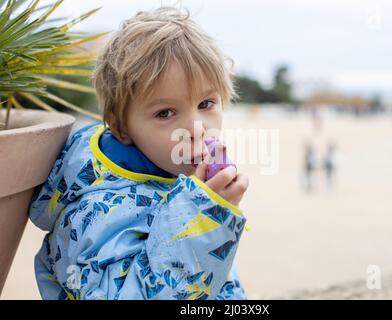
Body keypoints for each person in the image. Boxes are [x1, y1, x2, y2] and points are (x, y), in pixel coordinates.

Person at [28, 7, 249, 300]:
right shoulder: (95, 211)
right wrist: (202, 220)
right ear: (120, 126)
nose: (197, 129)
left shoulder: (169, 174)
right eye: (166, 112)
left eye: (207, 104)